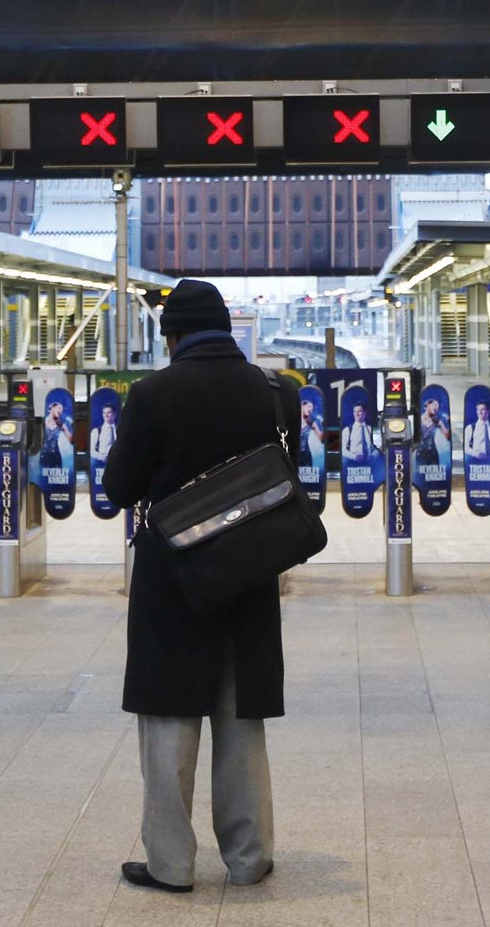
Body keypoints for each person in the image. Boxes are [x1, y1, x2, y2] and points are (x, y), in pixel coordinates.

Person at [102, 279, 284, 895]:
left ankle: (171, 863)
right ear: (227, 330)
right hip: (249, 569)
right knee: (240, 715)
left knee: (169, 712)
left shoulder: (153, 394)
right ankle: (249, 856)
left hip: (174, 574)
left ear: (171, 335)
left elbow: (119, 488)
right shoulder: (270, 390)